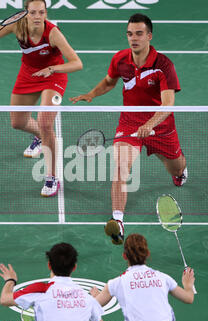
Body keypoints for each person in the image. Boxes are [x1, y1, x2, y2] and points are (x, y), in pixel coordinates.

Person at [70, 13, 187, 244]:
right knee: (121, 168)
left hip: (160, 125)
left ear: (149, 36)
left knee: (176, 168)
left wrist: (150, 124)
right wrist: (91, 94)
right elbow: (109, 81)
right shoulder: (121, 59)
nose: (134, 38)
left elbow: (168, 104)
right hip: (130, 123)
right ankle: (118, 220)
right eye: (130, 34)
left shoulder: (163, 65)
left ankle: (180, 172)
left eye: (139, 34)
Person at [0, 0, 83, 197]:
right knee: (17, 122)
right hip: (28, 74)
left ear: (46, 13)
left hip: (53, 76)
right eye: (33, 12)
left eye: (41, 12)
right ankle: (41, 137)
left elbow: (77, 63)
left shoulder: (53, 34)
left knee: (45, 122)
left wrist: (52, 69)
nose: (37, 16)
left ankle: (52, 177)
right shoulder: (18, 26)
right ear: (26, 13)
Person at [90, 233, 195, 321]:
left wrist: (95, 297)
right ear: (147, 254)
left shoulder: (116, 283)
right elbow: (188, 298)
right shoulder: (163, 278)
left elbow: (88, 308)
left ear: (124, 256)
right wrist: (188, 285)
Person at [0, 242, 105, 321]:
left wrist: (10, 280)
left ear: (49, 265)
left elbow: (4, 299)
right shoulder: (86, 297)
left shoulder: (41, 290)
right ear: (74, 267)